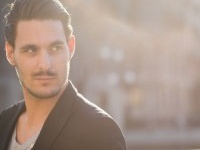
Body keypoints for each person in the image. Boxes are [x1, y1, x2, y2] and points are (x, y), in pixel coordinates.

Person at [0, 0, 127, 149]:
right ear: (10, 53)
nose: (45, 64)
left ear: (70, 47)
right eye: (31, 50)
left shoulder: (99, 132)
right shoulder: (4, 123)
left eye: (55, 48)